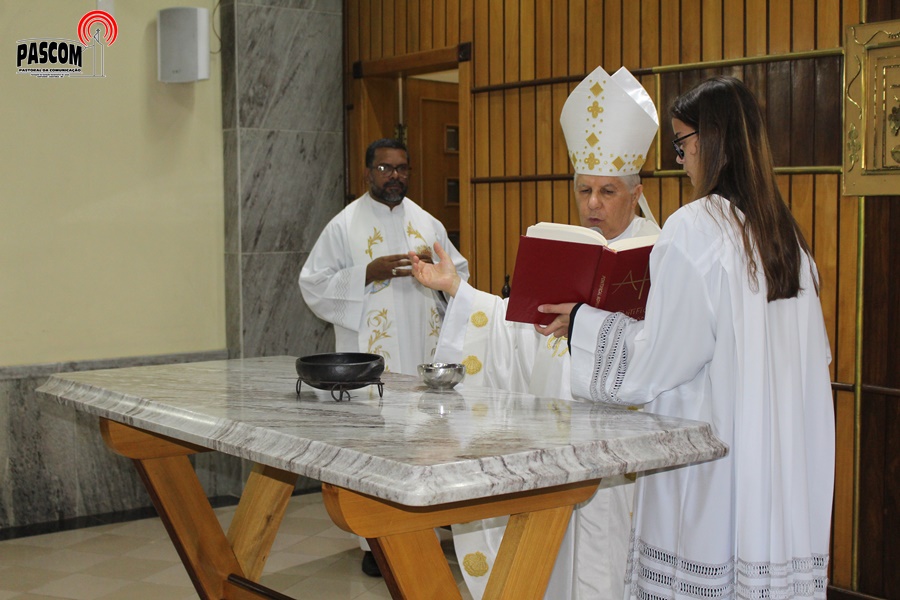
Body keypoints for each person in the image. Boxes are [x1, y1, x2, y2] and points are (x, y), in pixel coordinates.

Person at [539, 76, 835, 599]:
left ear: (710, 140)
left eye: (681, 144)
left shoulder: (696, 226)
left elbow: (658, 360)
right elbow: (815, 359)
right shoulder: (785, 233)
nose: (681, 160)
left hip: (715, 457)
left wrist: (584, 322)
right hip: (780, 457)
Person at [410, 65, 660, 599]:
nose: (593, 204)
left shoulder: (661, 255)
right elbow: (521, 328)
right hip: (564, 446)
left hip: (628, 456)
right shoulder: (565, 248)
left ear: (636, 193)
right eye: (584, 189)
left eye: (607, 191)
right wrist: (458, 291)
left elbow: (666, 349)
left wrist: (596, 327)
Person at [299, 137, 469, 576]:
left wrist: (439, 278)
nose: (394, 176)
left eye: (402, 168)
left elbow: (459, 274)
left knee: (427, 439)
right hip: (372, 359)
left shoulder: (427, 223)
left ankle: (428, 525)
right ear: (367, 173)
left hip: (422, 352)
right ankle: (375, 542)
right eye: (384, 168)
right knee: (379, 445)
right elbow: (312, 284)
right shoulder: (344, 225)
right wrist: (365, 274)